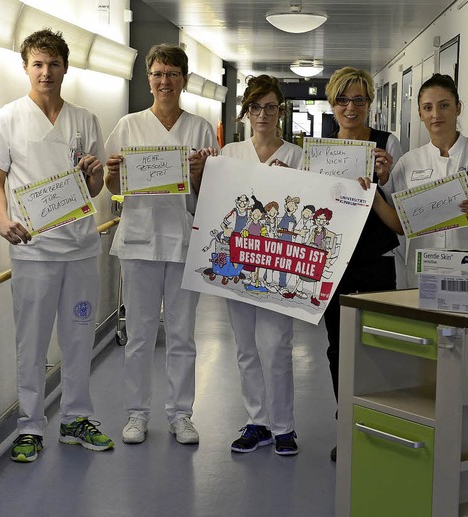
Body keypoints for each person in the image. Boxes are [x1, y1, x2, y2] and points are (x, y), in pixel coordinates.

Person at [0, 29, 114, 462]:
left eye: (54, 64)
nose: (46, 72)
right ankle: (30, 426)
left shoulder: (85, 119)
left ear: (65, 68)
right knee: (32, 342)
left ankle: (76, 418)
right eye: (38, 64)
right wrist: (3, 221)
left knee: (79, 337)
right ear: (26, 68)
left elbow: (93, 189)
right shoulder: (8, 118)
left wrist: (94, 174)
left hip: (79, 248)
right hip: (33, 251)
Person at [104, 44, 218, 446]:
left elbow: (211, 194)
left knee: (183, 334)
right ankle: (137, 414)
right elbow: (114, 188)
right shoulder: (128, 125)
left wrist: (203, 172)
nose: (164, 81)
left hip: (185, 241)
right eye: (157, 73)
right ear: (148, 79)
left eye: (172, 73)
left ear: (183, 79)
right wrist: (112, 174)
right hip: (138, 241)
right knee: (139, 334)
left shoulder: (201, 128)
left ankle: (180, 415)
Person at [323, 67, 404, 462]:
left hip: (376, 259)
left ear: (370, 103)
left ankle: (377, 423)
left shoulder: (388, 144)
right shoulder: (320, 150)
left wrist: (384, 180)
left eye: (358, 99)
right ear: (331, 104)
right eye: (342, 100)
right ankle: (346, 425)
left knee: (377, 346)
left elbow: (402, 216)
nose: (350, 108)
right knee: (338, 348)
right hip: (334, 261)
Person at [220, 74, 303, 455]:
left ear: (280, 111)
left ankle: (284, 426)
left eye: (271, 106)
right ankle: (258, 422)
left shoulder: (299, 157)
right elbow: (217, 204)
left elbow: (309, 211)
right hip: (240, 264)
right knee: (246, 348)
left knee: (277, 346)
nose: (263, 114)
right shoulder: (230, 155)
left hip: (277, 265)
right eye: (256, 107)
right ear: (246, 112)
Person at [379, 73, 468, 287]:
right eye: (428, 108)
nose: (436, 114)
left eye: (444, 105)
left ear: (458, 108)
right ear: (420, 113)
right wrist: (381, 181)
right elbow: (399, 221)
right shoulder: (409, 162)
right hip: (423, 271)